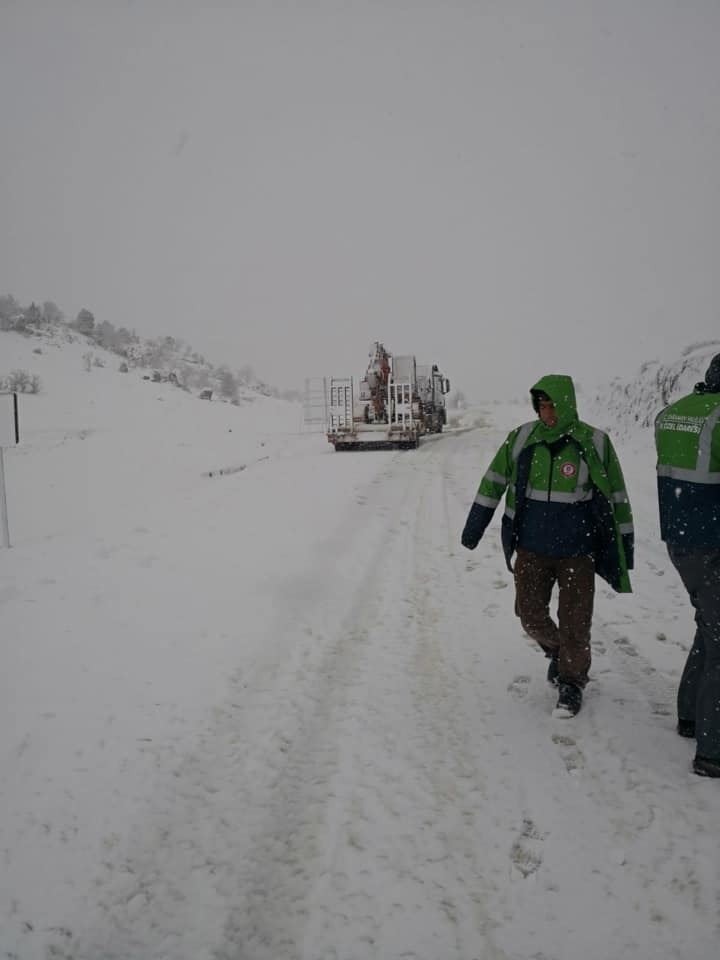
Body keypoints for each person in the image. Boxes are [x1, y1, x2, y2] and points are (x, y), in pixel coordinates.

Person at [461, 374, 634, 717]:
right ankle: (557, 650)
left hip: (577, 552)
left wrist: (624, 543)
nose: (547, 413)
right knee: (529, 615)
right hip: (532, 548)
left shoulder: (595, 442)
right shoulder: (522, 438)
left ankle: (571, 683)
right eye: (542, 406)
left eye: (553, 406)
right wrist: (474, 527)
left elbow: (617, 494)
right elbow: (493, 481)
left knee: (576, 623)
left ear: (567, 405)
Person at [654, 352, 720, 778]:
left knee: (709, 625)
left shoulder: (673, 413)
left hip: (679, 541)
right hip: (713, 543)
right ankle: (712, 751)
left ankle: (691, 716)